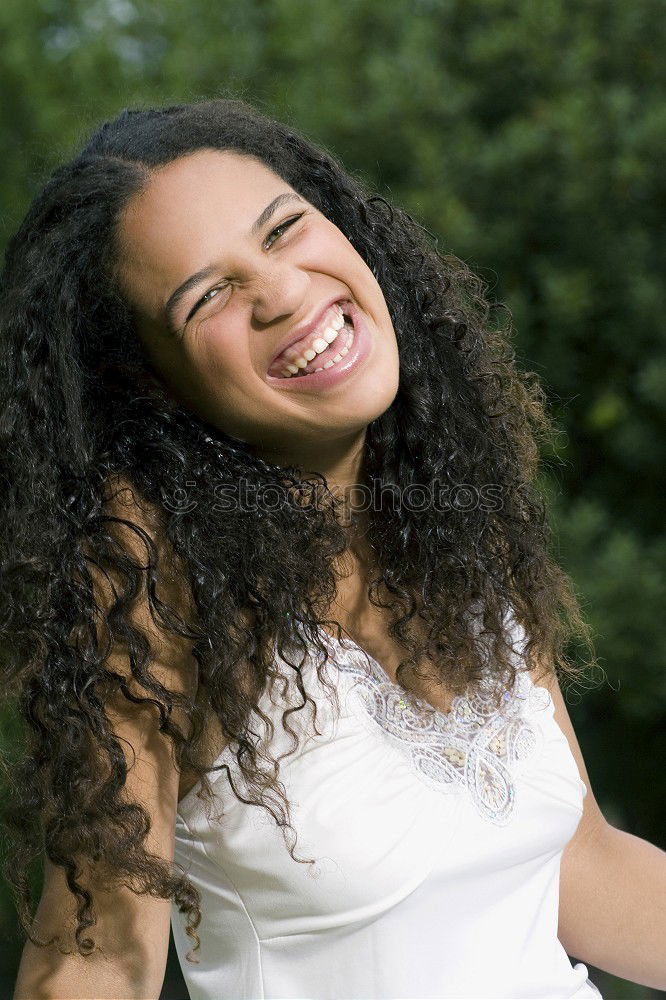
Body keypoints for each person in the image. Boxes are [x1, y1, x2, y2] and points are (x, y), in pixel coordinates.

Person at [1, 97, 664, 1000]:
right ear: (152, 382)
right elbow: (96, 961)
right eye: (209, 295)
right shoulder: (149, 579)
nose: (281, 293)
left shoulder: (452, 524)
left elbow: (580, 871)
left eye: (282, 231)